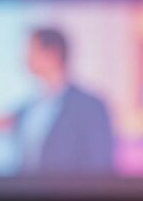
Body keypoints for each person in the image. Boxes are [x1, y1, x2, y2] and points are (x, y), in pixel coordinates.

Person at [12, 28, 114, 174]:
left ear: (53, 53)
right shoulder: (29, 107)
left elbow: (100, 165)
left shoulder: (90, 107)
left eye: (31, 51)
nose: (25, 58)